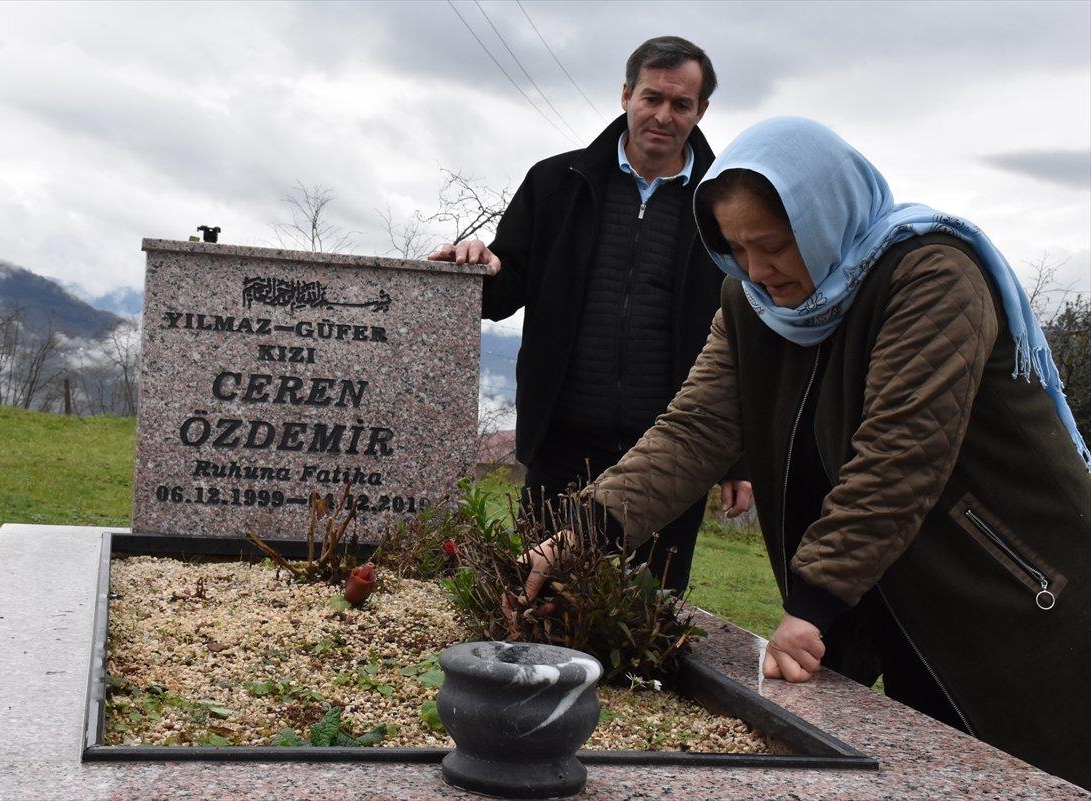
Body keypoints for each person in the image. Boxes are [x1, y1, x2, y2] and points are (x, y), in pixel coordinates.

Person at [519, 117, 1091, 789]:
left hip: (1015, 585)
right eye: (736, 247)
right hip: (894, 587)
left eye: (773, 244)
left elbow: (900, 454)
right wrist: (580, 534)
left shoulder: (932, 274)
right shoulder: (753, 303)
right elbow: (692, 431)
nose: (757, 269)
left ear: (824, 214)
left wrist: (813, 601)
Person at [430, 36, 751, 593]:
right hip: (561, 449)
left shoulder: (725, 205)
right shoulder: (556, 183)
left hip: (670, 459)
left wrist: (738, 458)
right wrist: (474, 268)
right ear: (626, 94)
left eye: (681, 104)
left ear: (701, 111)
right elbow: (503, 291)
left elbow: (748, 328)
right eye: (652, 97)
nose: (663, 115)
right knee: (535, 602)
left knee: (647, 619)